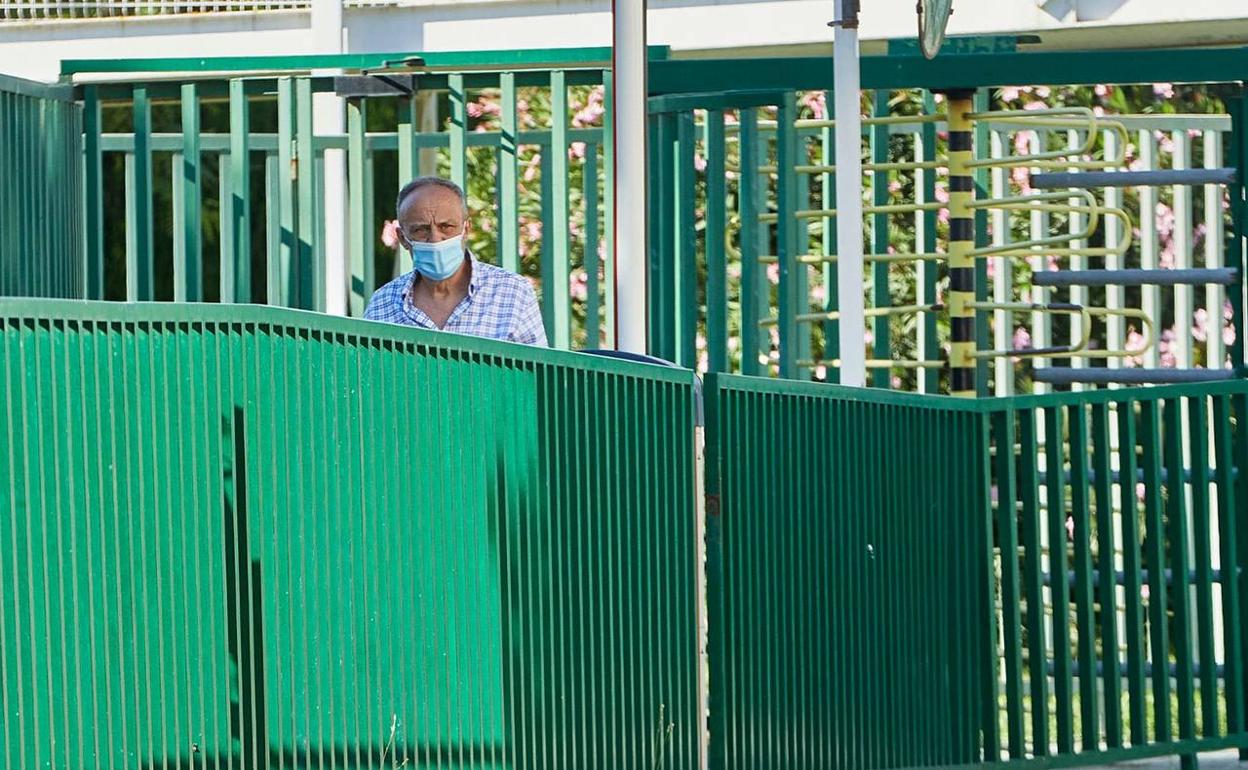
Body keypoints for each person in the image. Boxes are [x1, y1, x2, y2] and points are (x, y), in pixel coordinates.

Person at [364, 176, 548, 346]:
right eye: (421, 229)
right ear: (403, 238)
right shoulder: (383, 304)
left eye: (446, 226)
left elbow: (536, 369)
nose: (435, 239)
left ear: (466, 229)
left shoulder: (513, 293)